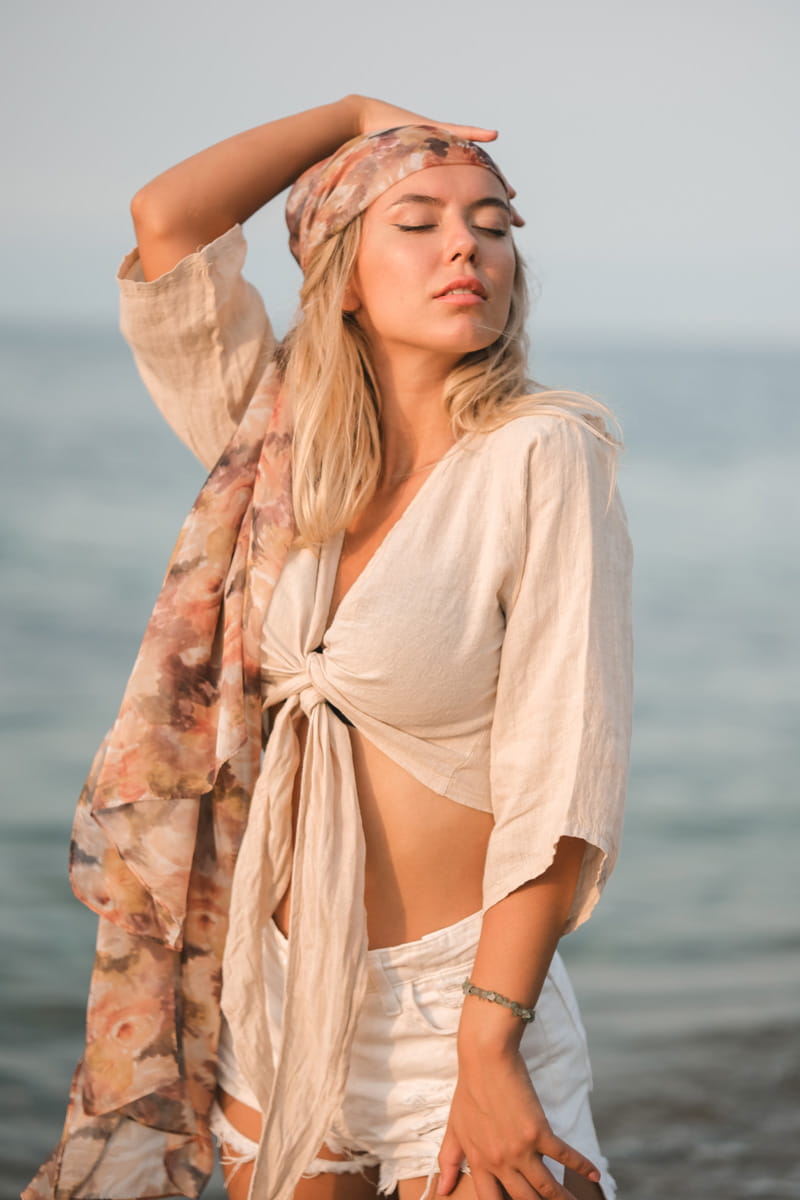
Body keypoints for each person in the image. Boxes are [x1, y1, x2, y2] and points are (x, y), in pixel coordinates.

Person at [25, 96, 632, 1200]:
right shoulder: (272, 442)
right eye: (419, 220)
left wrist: (488, 1043)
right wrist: (349, 112)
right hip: (277, 994)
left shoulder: (542, 456)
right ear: (341, 269)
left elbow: (562, 776)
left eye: (493, 224)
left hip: (457, 998)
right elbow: (167, 222)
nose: (467, 245)